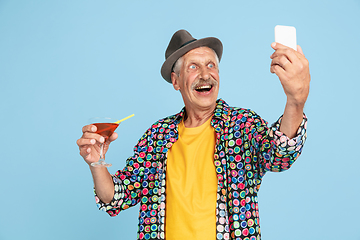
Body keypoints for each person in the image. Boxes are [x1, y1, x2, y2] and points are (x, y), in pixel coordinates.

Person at [77, 29, 310, 240]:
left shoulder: (242, 125)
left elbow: (281, 154)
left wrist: (295, 100)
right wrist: (96, 162)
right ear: (176, 81)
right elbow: (115, 197)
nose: (205, 74)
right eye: (193, 67)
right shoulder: (157, 136)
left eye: (211, 65)